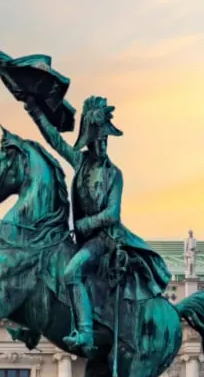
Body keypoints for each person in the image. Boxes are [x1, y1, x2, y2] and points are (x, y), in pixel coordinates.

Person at [24, 95, 170, 354]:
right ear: (89, 140)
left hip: (106, 240)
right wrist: (35, 110)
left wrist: (84, 224)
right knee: (44, 265)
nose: (103, 145)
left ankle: (85, 333)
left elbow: (112, 214)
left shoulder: (114, 174)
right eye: (98, 139)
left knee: (71, 273)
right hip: (85, 238)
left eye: (105, 139)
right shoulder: (80, 162)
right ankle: (32, 324)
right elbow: (55, 141)